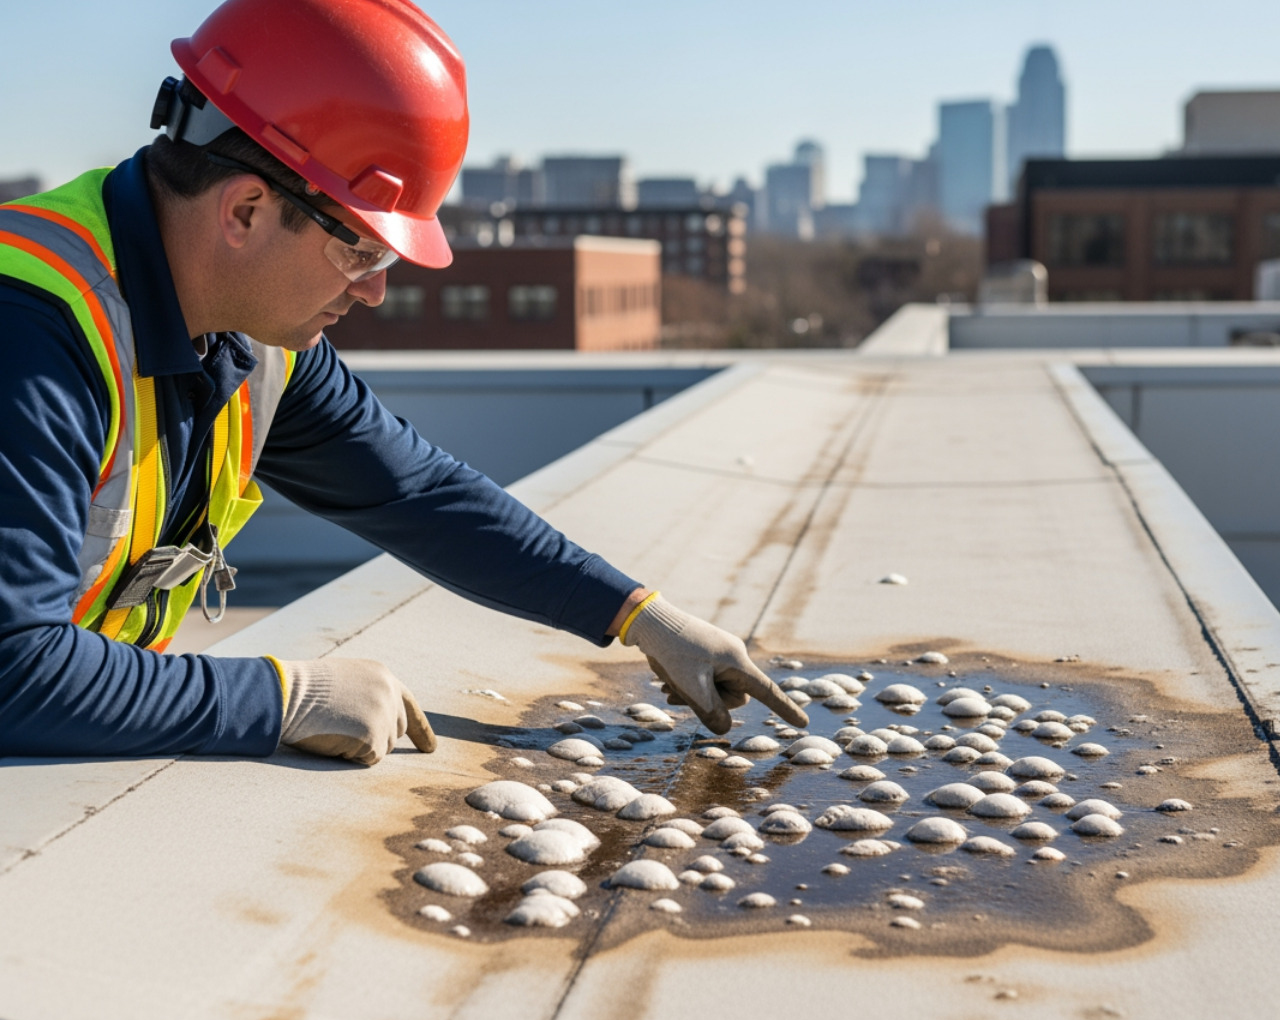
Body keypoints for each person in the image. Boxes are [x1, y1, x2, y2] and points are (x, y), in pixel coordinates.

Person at [0, 0, 804, 767]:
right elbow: (12, 671)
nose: (374, 291)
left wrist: (637, 615)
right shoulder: (30, 334)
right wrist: (280, 699)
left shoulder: (248, 336)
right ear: (244, 212)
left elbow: (416, 492)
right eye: (362, 250)